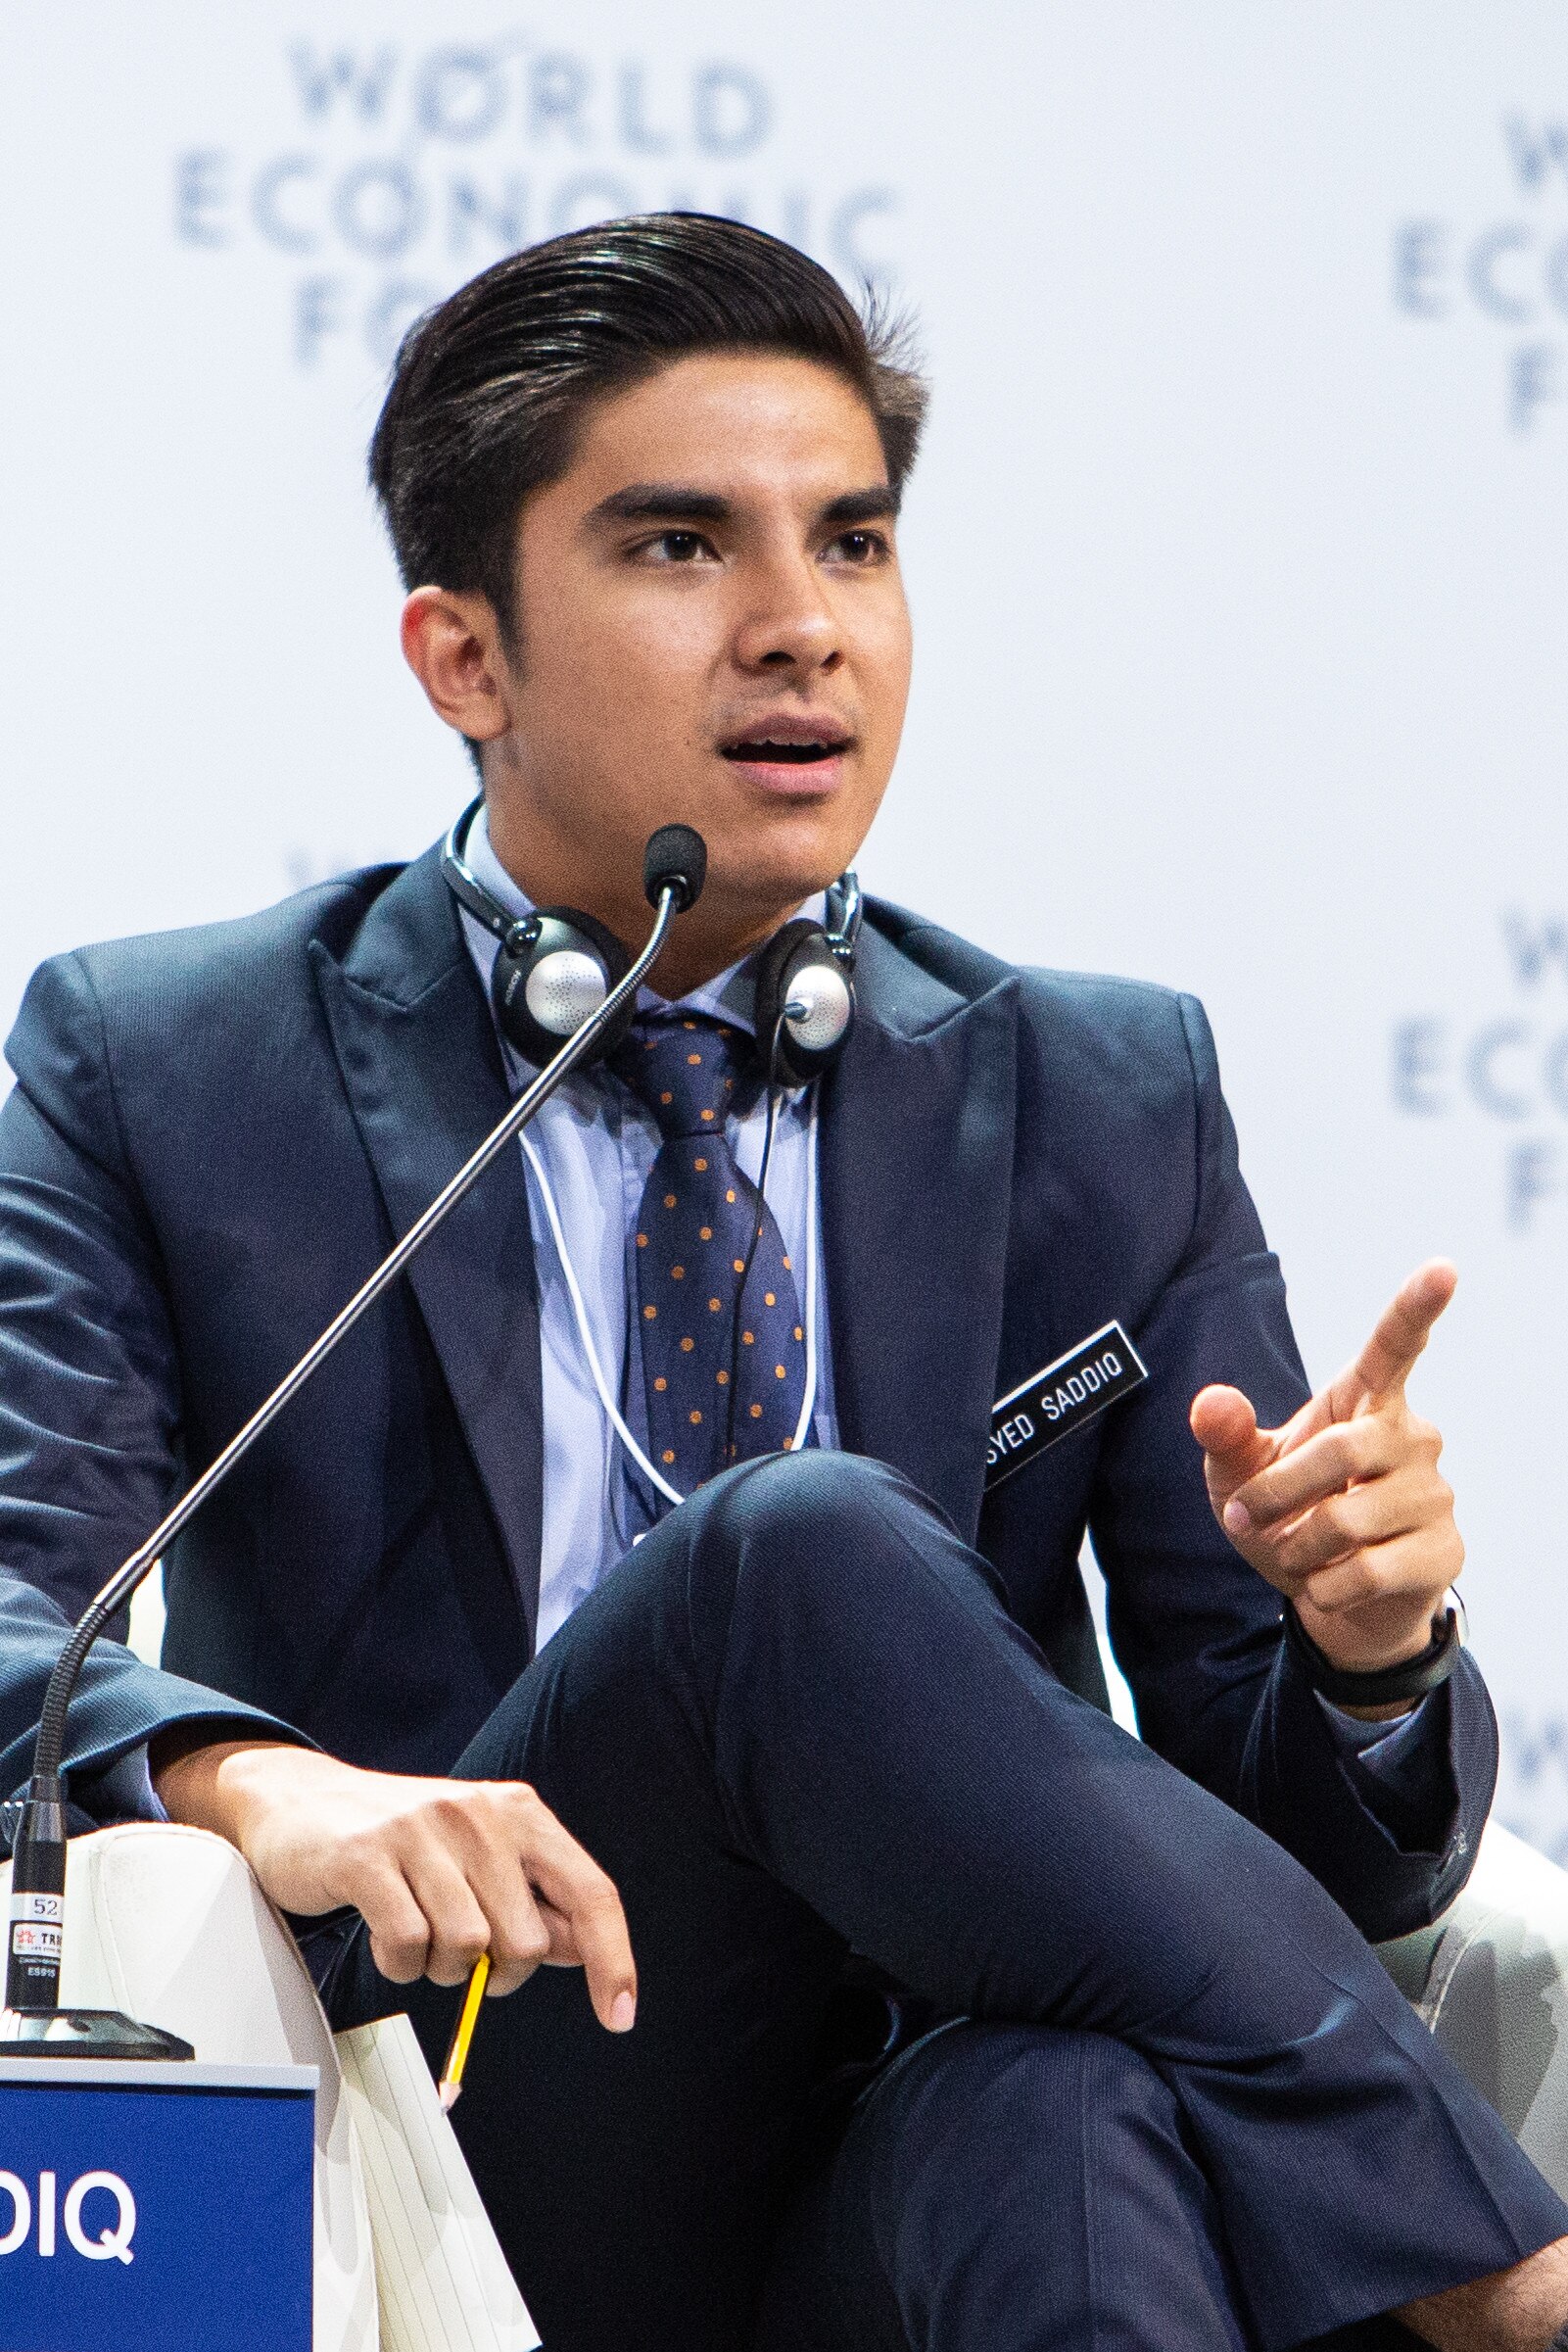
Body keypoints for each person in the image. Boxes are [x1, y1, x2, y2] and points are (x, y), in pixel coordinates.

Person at [1, 215, 1566, 2352]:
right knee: (796, 1548)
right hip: (474, 2124)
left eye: (852, 543)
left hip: (929, 2126)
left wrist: (1370, 1660)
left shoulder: (1103, 1091)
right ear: (464, 658)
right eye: (676, 548)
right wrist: (252, 1780)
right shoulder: (167, 1060)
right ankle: (1490, 2254)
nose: (799, 628)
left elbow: (1322, 1857)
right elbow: (19, 1620)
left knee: (1069, 2110)